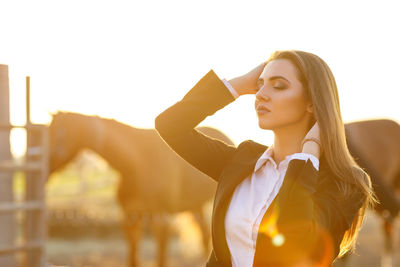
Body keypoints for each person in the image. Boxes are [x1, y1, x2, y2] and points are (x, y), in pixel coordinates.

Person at [155, 50, 378, 267]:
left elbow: (294, 244)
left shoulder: (346, 184)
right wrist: (240, 85)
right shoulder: (239, 161)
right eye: (260, 84)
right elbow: (170, 125)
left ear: (312, 102)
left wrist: (309, 152)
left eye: (279, 85)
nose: (261, 94)